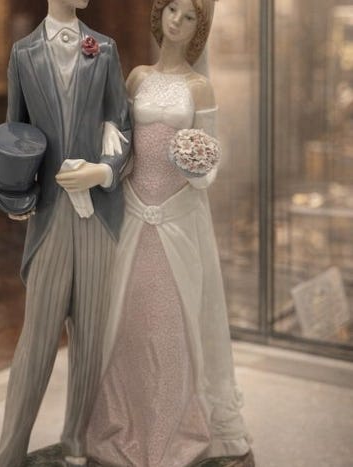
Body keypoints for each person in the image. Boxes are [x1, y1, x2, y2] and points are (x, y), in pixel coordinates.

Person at [85, 1, 254, 466]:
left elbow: (211, 163)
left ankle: (171, 432)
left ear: (199, 27)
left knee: (172, 326)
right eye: (171, 9)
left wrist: (194, 164)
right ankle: (123, 423)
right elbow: (120, 146)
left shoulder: (200, 87)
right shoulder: (137, 77)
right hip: (133, 214)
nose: (177, 21)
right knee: (129, 321)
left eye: (189, 16)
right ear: (159, 14)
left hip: (178, 221)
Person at [0, 0, 131, 466]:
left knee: (91, 337)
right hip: (50, 215)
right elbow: (15, 132)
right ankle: (9, 450)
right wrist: (14, 192)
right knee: (37, 339)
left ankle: (76, 441)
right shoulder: (23, 54)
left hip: (99, 217)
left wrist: (103, 171)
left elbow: (121, 124)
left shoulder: (104, 50)